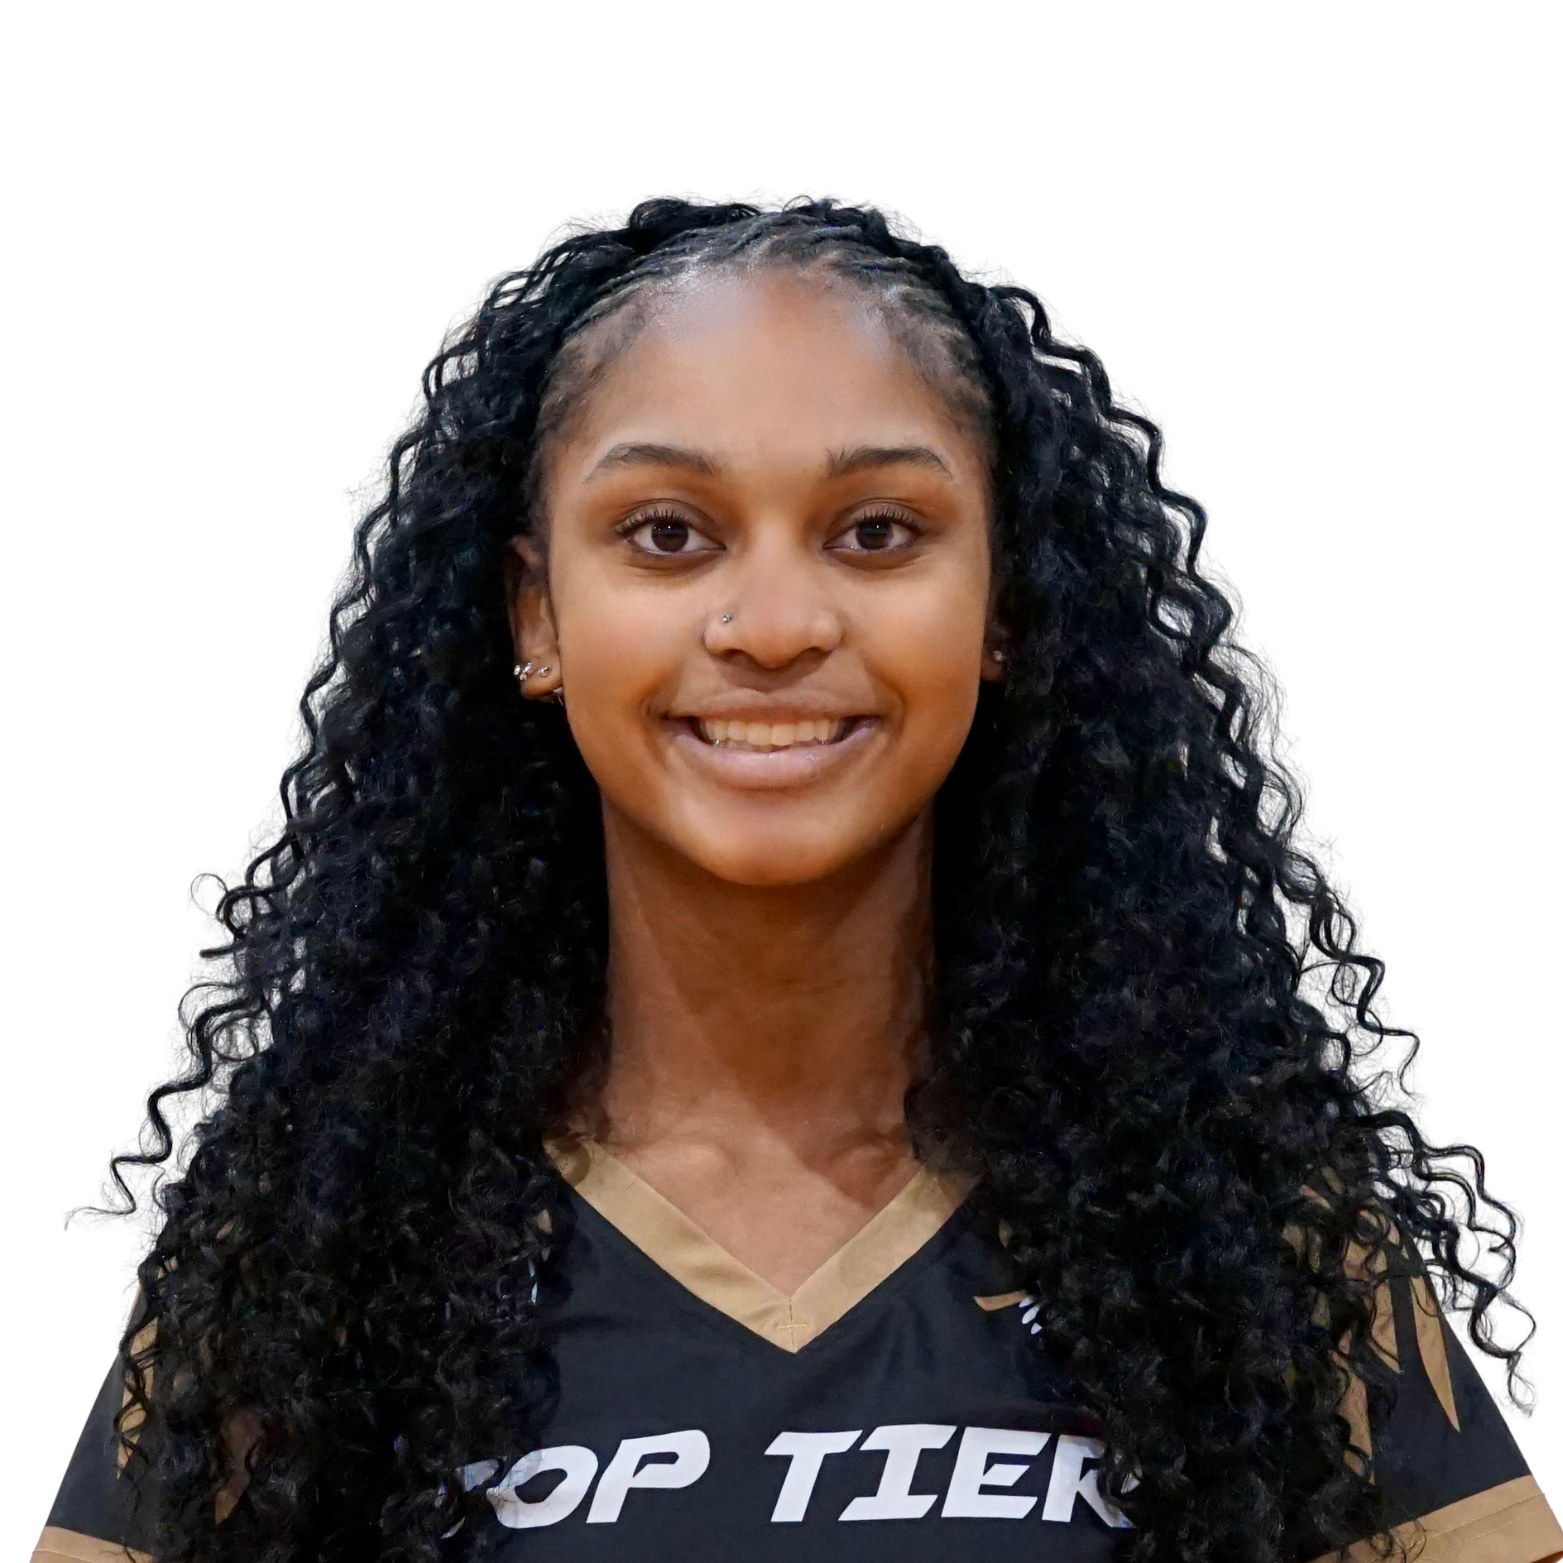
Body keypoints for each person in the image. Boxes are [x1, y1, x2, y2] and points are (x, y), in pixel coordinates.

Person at [33, 197, 1562, 1563]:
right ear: (534, 612)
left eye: (877, 532)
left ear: (1001, 607)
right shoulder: (318, 1254)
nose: (771, 621)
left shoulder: (1259, 1246)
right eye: (667, 534)